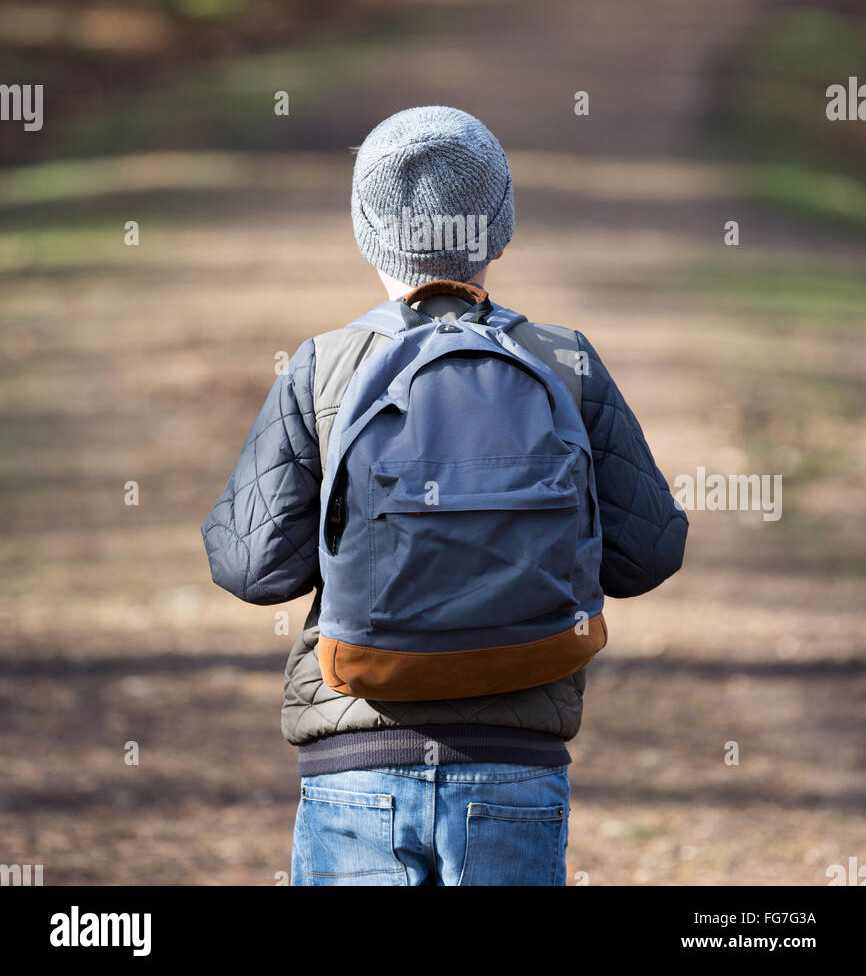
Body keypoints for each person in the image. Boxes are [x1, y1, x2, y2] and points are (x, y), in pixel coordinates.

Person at [202, 105, 688, 886]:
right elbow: (650, 552)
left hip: (356, 764)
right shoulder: (564, 360)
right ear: (500, 229)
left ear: (367, 232)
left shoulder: (323, 366)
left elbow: (252, 570)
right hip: (515, 764)